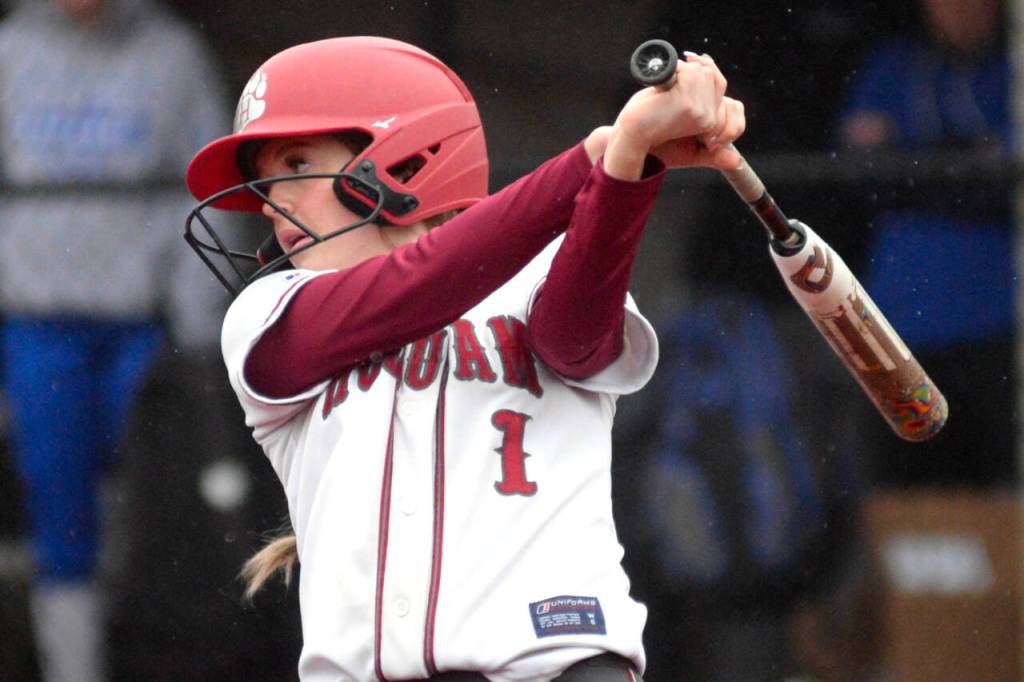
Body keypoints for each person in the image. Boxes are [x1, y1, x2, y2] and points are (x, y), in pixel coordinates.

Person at [183, 36, 745, 681]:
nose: (271, 201)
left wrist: (628, 163)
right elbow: (420, 283)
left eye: (297, 162)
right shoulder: (266, 315)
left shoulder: (538, 273)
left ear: (404, 157)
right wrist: (600, 151)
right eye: (266, 179)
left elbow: (574, 339)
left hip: (557, 667)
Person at [0, 1, 228, 680]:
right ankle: (75, 667)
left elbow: (207, 189)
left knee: (154, 499)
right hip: (38, 321)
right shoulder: (12, 50)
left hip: (140, 322)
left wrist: (199, 326)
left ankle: (146, 651)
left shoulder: (170, 53)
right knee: (59, 497)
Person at [837, 0, 1014, 488]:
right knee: (904, 488)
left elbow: (1003, 185)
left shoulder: (1011, 70)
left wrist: (910, 160)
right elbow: (864, 175)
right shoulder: (895, 66)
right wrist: (963, 163)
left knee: (994, 488)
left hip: (997, 318)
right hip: (900, 320)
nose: (962, 12)